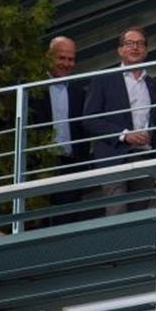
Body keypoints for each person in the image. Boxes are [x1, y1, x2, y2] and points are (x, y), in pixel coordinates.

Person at [83, 27, 156, 215]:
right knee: (117, 211)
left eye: (140, 43)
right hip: (114, 155)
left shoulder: (153, 85)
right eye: (129, 43)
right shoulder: (103, 80)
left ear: (146, 50)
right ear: (120, 50)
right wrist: (124, 135)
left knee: (140, 213)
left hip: (145, 155)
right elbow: (89, 119)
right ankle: (118, 244)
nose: (135, 47)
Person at [28, 36, 92, 221]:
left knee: (66, 220)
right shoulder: (32, 87)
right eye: (61, 58)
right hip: (40, 164)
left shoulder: (79, 91)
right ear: (49, 57)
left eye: (70, 59)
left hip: (70, 165)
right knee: (37, 221)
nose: (66, 63)